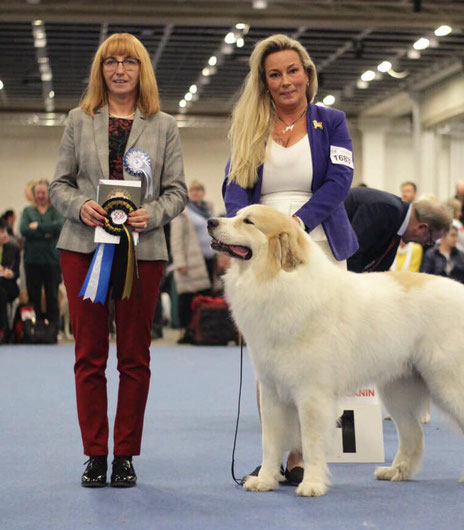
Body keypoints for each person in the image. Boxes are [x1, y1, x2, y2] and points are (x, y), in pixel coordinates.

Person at [49, 33, 187, 488]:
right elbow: (59, 185)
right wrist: (80, 206)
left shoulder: (164, 125)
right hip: (81, 249)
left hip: (142, 252)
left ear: (141, 69)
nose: (120, 69)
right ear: (101, 69)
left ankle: (125, 454)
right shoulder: (77, 119)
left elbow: (178, 191)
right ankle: (94, 454)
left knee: (134, 357)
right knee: (88, 356)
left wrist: (155, 213)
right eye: (112, 62)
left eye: (130, 61)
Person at [222, 34, 358, 485]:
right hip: (261, 247)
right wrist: (252, 229)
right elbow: (235, 187)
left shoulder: (332, 121)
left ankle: (303, 457)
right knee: (269, 360)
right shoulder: (247, 127)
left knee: (315, 362)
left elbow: (340, 180)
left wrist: (294, 225)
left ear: (307, 74)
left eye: (292, 71)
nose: (285, 82)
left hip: (316, 241)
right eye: (275, 74)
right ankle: (270, 459)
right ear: (264, 82)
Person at [345, 187, 451, 273]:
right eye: (429, 241)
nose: (425, 244)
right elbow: (352, 253)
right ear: (422, 227)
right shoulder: (386, 210)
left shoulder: (397, 220)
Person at [170, 180, 213, 344]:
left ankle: (201, 331)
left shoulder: (208, 210)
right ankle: (184, 331)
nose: (196, 193)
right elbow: (176, 238)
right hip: (190, 261)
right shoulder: (183, 211)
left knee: (204, 297)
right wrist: (180, 261)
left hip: (207, 259)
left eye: (199, 190)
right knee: (186, 297)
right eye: (193, 190)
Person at [19, 180, 64, 335]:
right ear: (34, 194)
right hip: (32, 260)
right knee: (34, 296)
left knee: (52, 295)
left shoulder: (56, 210)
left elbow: (60, 227)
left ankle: (53, 329)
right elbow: (24, 229)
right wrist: (47, 232)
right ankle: (34, 329)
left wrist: (37, 226)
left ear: (48, 194)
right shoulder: (27, 211)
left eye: (43, 192)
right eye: (37, 193)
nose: (40, 196)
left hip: (52, 260)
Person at [0, 219, 20, 343]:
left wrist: (11, 273)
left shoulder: (13, 249)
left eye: (6, 231)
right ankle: (4, 330)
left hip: (9, 286)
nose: (6, 234)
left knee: (1, 293)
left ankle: (3, 330)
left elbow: (17, 272)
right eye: (2, 232)